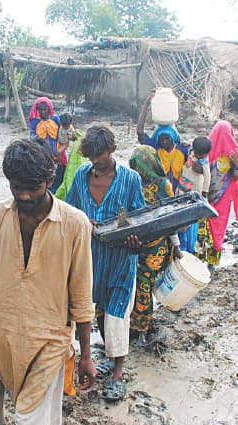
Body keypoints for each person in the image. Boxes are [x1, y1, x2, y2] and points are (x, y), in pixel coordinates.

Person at [0, 139, 96, 425]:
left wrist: (85, 355)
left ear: (50, 180)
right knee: (37, 411)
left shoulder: (75, 224)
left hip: (50, 337)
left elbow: (82, 295)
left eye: (31, 189)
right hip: (4, 333)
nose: (23, 196)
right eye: (16, 188)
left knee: (27, 418)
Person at [65, 124, 146, 401]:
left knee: (117, 313)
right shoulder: (80, 177)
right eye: (91, 158)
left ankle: (116, 373)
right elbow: (69, 209)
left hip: (121, 258)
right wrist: (82, 221)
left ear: (112, 150)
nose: (95, 163)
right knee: (89, 307)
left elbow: (138, 217)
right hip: (88, 258)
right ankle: (91, 354)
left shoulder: (130, 179)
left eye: (99, 156)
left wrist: (132, 236)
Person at [128, 145, 183, 346]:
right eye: (135, 167)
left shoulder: (163, 185)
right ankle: (140, 321)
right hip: (136, 243)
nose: (139, 172)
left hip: (157, 246)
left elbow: (170, 218)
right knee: (138, 283)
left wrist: (176, 246)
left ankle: (141, 326)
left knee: (144, 282)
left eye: (141, 167)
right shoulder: (131, 183)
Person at [136, 90, 195, 251]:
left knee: (180, 227)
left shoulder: (183, 150)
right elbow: (140, 133)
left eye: (168, 138)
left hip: (178, 192)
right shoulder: (155, 149)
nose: (165, 142)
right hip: (160, 194)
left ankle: (182, 252)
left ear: (173, 138)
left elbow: (197, 163)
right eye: (162, 139)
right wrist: (146, 105)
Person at [195, 120, 238, 266]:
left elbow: (236, 177)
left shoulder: (233, 152)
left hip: (223, 197)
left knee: (218, 227)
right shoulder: (206, 148)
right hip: (205, 194)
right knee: (202, 226)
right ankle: (200, 257)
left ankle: (212, 261)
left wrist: (237, 165)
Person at [28, 97, 62, 192]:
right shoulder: (35, 121)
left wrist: (60, 151)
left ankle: (55, 192)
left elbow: (62, 133)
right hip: (41, 152)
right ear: (37, 110)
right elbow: (32, 136)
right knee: (43, 172)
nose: (43, 112)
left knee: (57, 173)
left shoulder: (56, 119)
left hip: (56, 152)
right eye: (40, 110)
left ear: (49, 109)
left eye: (45, 109)